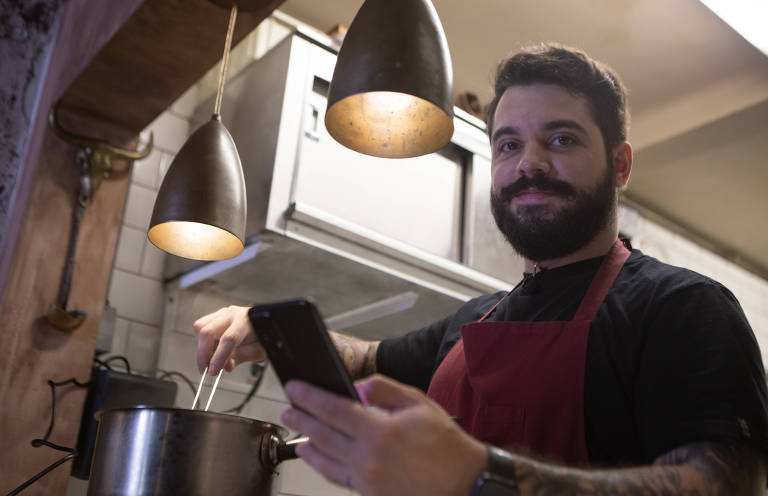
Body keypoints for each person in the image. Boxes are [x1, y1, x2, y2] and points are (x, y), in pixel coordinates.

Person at [193, 43, 768, 495]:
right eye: (508, 145)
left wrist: (481, 475)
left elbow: (724, 484)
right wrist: (263, 328)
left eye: (561, 139)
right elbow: (366, 358)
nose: (529, 164)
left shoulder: (681, 307)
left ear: (620, 165)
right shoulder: (471, 324)